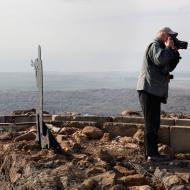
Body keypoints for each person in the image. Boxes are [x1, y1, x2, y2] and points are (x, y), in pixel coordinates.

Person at [137, 27, 181, 162]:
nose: (171, 40)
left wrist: (174, 53)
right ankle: (151, 155)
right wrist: (168, 48)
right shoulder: (154, 45)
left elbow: (167, 67)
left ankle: (152, 153)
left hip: (154, 90)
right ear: (163, 35)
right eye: (170, 37)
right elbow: (160, 60)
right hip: (148, 89)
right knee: (151, 123)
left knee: (154, 123)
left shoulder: (162, 48)